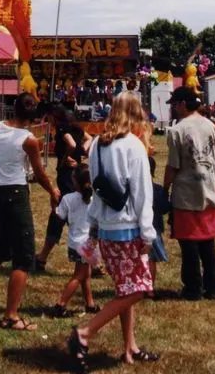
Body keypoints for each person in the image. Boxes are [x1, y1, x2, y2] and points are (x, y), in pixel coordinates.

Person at [66, 92, 159, 370]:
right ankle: (85, 333)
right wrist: (148, 233)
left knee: (124, 289)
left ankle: (129, 347)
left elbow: (96, 188)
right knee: (139, 289)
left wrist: (94, 228)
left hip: (106, 228)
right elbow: (143, 193)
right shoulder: (132, 146)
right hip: (128, 228)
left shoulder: (96, 145)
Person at [0, 92, 60, 331]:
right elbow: (39, 173)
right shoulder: (29, 140)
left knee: (2, 247)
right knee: (24, 255)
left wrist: (1, 160)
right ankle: (11, 315)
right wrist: (53, 191)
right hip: (17, 194)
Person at [164, 87, 215, 302]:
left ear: (182, 104)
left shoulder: (177, 130)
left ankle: (192, 288)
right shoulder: (211, 126)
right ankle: (213, 286)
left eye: (174, 103)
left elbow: (173, 166)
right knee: (208, 243)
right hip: (207, 192)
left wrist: (164, 189)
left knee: (188, 243)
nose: (173, 107)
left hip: (185, 194)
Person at [36, 105, 92, 271]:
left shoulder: (62, 129)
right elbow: (89, 139)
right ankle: (92, 260)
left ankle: (42, 258)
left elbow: (72, 144)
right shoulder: (77, 127)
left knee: (59, 217)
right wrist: (83, 153)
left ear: (55, 115)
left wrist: (66, 157)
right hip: (79, 173)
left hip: (68, 176)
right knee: (83, 216)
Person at [48, 166, 99, 318]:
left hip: (74, 243)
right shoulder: (95, 198)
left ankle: (90, 304)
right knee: (80, 275)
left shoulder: (67, 199)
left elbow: (59, 216)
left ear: (75, 182)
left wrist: (53, 204)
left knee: (85, 274)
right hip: (88, 244)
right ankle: (61, 304)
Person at [147, 156, 170, 295]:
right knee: (151, 260)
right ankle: (149, 289)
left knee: (142, 260)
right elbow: (165, 208)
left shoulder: (133, 190)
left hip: (138, 230)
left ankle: (141, 287)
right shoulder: (158, 189)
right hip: (154, 229)